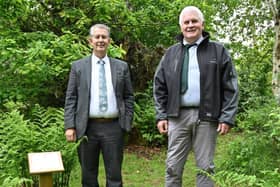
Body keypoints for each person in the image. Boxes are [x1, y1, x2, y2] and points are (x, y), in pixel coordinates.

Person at [153, 6, 238, 187]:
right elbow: (159, 86)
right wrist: (161, 115)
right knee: (172, 167)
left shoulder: (218, 51)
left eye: (194, 21)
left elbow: (230, 87)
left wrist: (227, 117)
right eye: (186, 22)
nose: (190, 25)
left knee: (205, 168)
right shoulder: (171, 54)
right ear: (181, 26)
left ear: (202, 24)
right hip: (177, 117)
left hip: (207, 117)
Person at [64, 23, 134, 187]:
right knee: (88, 175)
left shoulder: (121, 67)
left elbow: (129, 96)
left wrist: (127, 121)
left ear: (109, 41)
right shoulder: (78, 67)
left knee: (115, 175)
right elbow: (71, 98)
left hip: (114, 127)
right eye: (97, 37)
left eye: (104, 37)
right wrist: (70, 126)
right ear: (90, 41)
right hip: (87, 127)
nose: (100, 40)